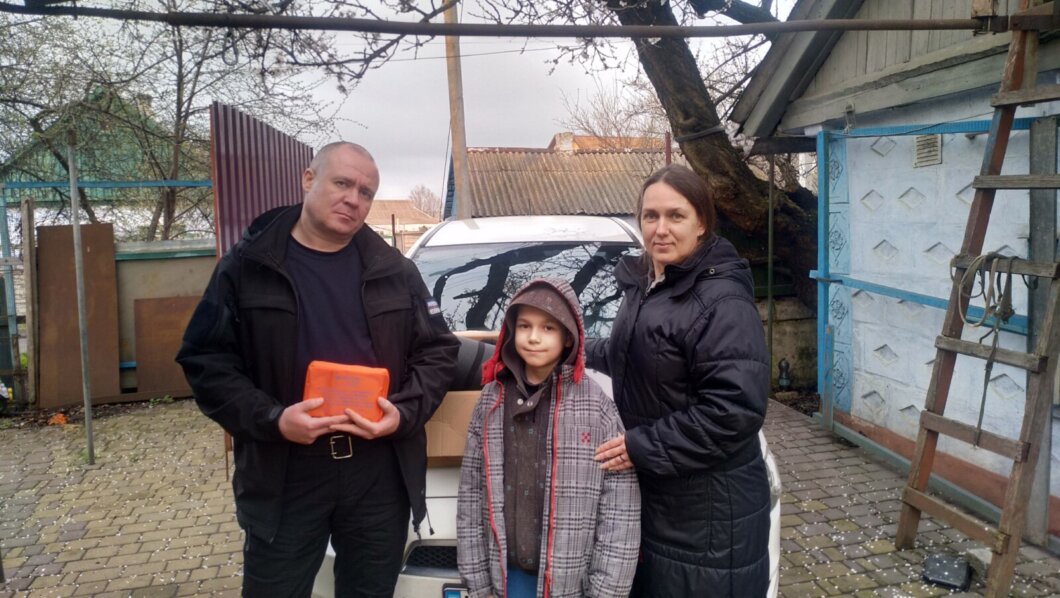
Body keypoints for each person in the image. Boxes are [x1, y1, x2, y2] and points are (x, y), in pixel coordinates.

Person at [176, 141, 459, 598]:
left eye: (366, 192)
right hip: (285, 472)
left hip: (378, 472)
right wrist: (273, 419)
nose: (353, 199)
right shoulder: (248, 266)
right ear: (308, 179)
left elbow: (438, 351)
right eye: (342, 183)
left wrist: (404, 413)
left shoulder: (394, 270)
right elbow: (206, 360)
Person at [587, 164, 771, 597]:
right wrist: (566, 345)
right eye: (650, 216)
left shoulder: (721, 301)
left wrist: (641, 446)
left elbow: (734, 410)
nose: (661, 229)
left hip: (709, 515)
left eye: (676, 215)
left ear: (701, 222)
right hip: (667, 500)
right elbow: (630, 354)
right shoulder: (651, 286)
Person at [456, 278, 640, 598]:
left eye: (548, 328)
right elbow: (471, 494)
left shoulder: (596, 406)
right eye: (524, 326)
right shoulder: (491, 400)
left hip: (572, 583)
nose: (534, 337)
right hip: (507, 578)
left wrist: (606, 591)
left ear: (569, 337)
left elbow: (619, 508)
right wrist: (479, 582)